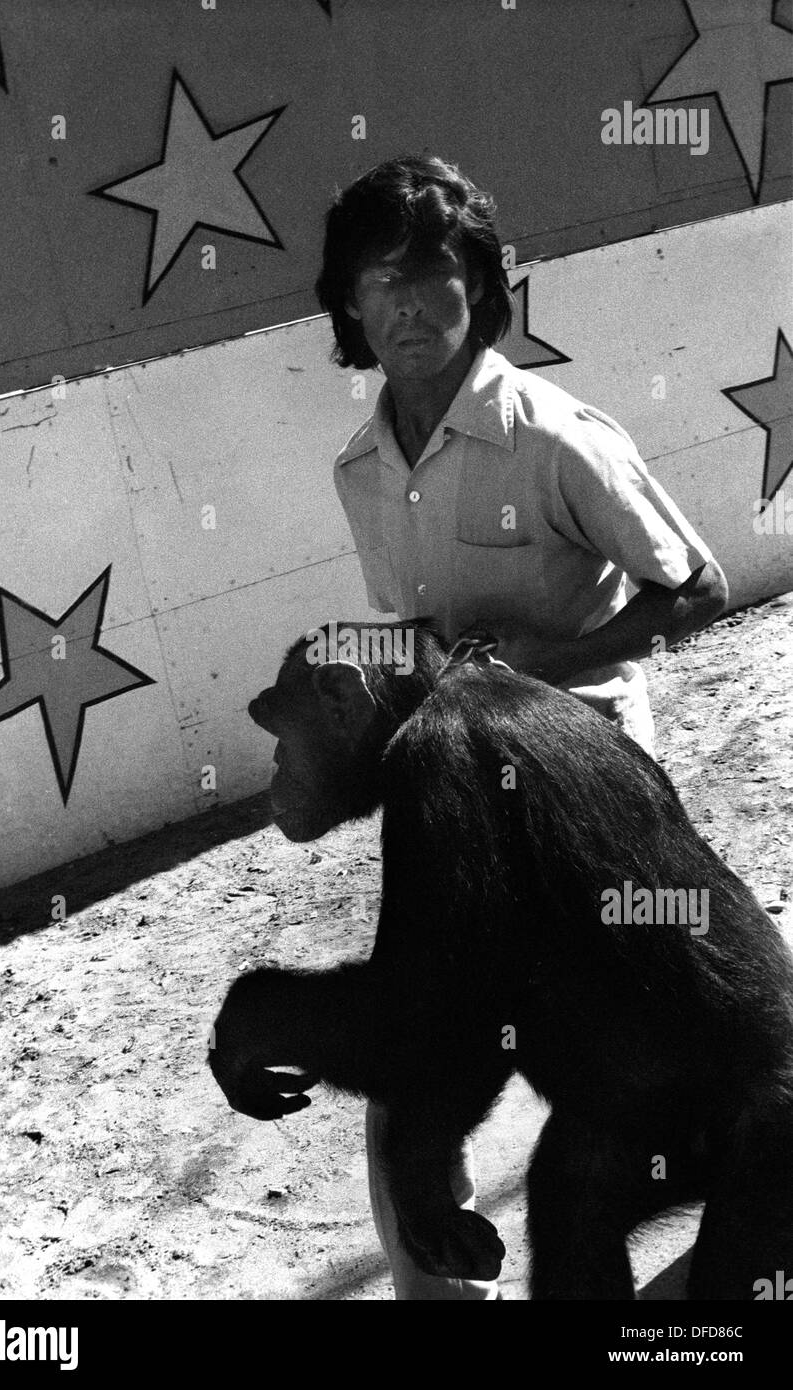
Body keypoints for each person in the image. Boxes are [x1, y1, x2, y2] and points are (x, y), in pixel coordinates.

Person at [314, 154, 728, 1299]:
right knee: (407, 1068)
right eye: (374, 279)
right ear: (346, 303)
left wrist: (542, 663)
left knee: (664, 1066)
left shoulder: (552, 434)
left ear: (481, 286)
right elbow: (420, 639)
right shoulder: (358, 470)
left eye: (427, 273)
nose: (402, 303)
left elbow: (691, 585)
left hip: (593, 798)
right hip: (460, 808)